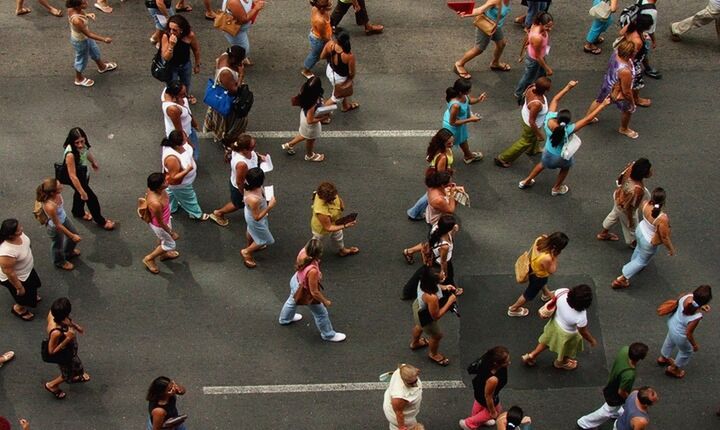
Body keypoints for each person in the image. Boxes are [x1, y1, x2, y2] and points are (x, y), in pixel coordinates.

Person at [517, 80, 611, 196]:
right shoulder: (568, 129)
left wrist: (568, 87)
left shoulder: (548, 120)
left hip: (548, 152)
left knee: (542, 164)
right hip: (561, 156)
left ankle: (526, 181)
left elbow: (555, 99)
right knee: (565, 168)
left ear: (558, 116)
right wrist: (603, 105)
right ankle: (556, 188)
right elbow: (587, 119)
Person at [278, 238, 347, 342]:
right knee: (321, 313)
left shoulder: (303, 252)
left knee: (292, 300)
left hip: (296, 280)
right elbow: (314, 292)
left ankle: (284, 319)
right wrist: (325, 301)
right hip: (304, 290)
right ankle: (328, 334)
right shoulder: (312, 271)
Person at [521, 284, 597, 370]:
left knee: (546, 341)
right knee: (566, 349)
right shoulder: (581, 316)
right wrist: (592, 340)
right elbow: (583, 331)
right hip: (568, 335)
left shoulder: (562, 292)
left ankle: (532, 355)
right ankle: (561, 363)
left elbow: (553, 298)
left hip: (554, 324)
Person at [612, 187, 676, 289]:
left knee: (638, 249)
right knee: (641, 261)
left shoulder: (645, 204)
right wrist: (671, 249)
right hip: (648, 241)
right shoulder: (662, 218)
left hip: (640, 231)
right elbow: (664, 236)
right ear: (664, 201)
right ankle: (622, 278)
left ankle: (633, 262)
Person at [576, 342, 649, 429]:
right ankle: (584, 423)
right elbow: (621, 391)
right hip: (615, 395)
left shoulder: (624, 350)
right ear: (640, 358)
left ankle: (616, 412)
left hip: (611, 383)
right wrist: (630, 400)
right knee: (606, 411)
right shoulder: (629, 374)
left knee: (615, 408)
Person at [161, 131, 221, 224]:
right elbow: (173, 177)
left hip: (178, 184)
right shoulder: (172, 159)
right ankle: (196, 214)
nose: (187, 138)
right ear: (178, 144)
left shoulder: (175, 145)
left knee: (171, 193)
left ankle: (171, 208)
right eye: (185, 138)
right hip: (181, 185)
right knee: (189, 198)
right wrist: (187, 170)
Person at [62, 128, 116, 230]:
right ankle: (100, 221)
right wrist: (82, 191)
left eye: (82, 141)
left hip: (83, 174)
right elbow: (72, 176)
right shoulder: (70, 155)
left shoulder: (83, 146)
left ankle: (78, 211)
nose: (80, 145)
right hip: (78, 179)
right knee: (92, 199)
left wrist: (93, 161)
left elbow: (86, 152)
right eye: (77, 142)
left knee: (79, 195)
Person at [585, 39, 638, 139]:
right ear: (629, 54)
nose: (636, 51)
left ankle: (588, 118)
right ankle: (624, 128)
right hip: (618, 91)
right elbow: (626, 92)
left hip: (608, 83)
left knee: (599, 101)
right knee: (628, 110)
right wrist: (632, 102)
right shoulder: (625, 71)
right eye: (634, 51)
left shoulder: (616, 53)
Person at [494, 77, 551, 168]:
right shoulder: (537, 104)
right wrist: (539, 134)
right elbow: (532, 121)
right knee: (525, 142)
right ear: (546, 90)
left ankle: (533, 150)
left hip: (527, 117)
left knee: (532, 138)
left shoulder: (531, 87)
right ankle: (503, 158)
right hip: (531, 125)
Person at [507, 232, 567, 317]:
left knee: (542, 283)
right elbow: (552, 270)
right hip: (538, 276)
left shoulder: (540, 239)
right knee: (529, 294)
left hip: (533, 269)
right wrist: (555, 257)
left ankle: (546, 294)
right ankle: (513, 309)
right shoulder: (548, 257)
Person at [657, 285, 712, 378]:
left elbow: (687, 302)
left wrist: (700, 306)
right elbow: (688, 333)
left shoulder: (686, 296)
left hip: (672, 324)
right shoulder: (696, 316)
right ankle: (674, 369)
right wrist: (694, 345)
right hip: (680, 334)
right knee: (686, 351)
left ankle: (663, 357)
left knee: (669, 341)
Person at [409, 266, 460, 366]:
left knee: (419, 325)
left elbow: (436, 286)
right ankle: (433, 354)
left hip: (418, 308)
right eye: (442, 277)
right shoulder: (432, 298)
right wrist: (450, 301)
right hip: (426, 316)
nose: (444, 276)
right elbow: (435, 316)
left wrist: (444, 287)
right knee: (437, 335)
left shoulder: (423, 281)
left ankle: (415, 343)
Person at [596, 158, 652, 246]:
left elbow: (619, 179)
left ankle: (603, 233)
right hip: (625, 207)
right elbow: (630, 207)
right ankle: (633, 243)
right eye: (649, 170)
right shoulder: (637, 190)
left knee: (614, 214)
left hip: (619, 196)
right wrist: (630, 220)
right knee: (632, 228)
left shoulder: (631, 166)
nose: (651, 171)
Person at [213, 134, 266, 224]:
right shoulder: (241, 164)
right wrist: (244, 195)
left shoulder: (244, 151)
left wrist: (260, 157)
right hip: (242, 188)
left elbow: (253, 154)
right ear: (245, 149)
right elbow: (239, 182)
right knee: (237, 204)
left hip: (250, 184)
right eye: (252, 146)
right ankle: (218, 213)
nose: (254, 147)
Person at [453, 0, 512, 80]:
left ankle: (495, 63)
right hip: (486, 25)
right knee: (478, 49)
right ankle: (459, 64)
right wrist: (466, 13)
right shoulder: (495, 0)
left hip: (496, 26)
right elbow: (480, 10)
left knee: (501, 44)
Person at [44, 297, 89, 400]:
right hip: (64, 353)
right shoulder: (56, 332)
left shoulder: (54, 314)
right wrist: (67, 339)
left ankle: (76, 374)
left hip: (70, 350)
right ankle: (52, 385)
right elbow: (51, 351)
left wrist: (76, 326)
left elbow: (68, 321)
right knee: (67, 372)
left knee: (75, 366)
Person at [406, 129, 455, 221]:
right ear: (442, 143)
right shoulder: (443, 157)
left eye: (452, 142)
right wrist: (446, 183)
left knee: (428, 195)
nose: (451, 145)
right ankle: (413, 212)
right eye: (449, 143)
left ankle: (414, 212)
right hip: (436, 179)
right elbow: (440, 174)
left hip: (433, 176)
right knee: (429, 196)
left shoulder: (437, 149)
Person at [203, 46, 249, 143]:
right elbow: (234, 91)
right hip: (226, 99)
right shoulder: (226, 73)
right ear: (234, 59)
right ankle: (227, 139)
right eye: (240, 60)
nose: (241, 62)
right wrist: (241, 75)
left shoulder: (225, 55)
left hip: (224, 90)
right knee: (229, 122)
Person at [66, 0, 116, 88]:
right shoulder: (77, 20)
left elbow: (80, 14)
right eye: (83, 3)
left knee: (94, 50)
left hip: (85, 38)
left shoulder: (73, 9)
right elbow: (89, 34)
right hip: (80, 41)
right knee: (81, 59)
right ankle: (79, 78)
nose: (86, 3)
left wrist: (87, 15)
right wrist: (104, 39)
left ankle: (102, 67)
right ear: (77, 6)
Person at [459, 346, 510, 429]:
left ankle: (478, 420)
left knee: (479, 402)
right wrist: (493, 411)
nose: (509, 363)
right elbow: (488, 397)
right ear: (496, 364)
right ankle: (468, 424)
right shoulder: (493, 379)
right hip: (486, 394)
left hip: (480, 390)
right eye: (506, 362)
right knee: (496, 410)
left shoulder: (488, 358)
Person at [0, 219, 42, 322]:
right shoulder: (6, 252)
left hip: (26, 271)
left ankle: (31, 295)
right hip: (17, 278)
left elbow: (26, 245)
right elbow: (9, 272)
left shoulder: (19, 235)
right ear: (10, 235)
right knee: (23, 296)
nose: (21, 229)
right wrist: (19, 287)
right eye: (18, 229)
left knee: (33, 286)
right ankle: (19, 308)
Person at [281, 77, 331, 162]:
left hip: (304, 117)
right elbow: (310, 121)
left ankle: (289, 144)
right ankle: (309, 155)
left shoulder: (305, 92)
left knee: (304, 134)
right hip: (310, 124)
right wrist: (323, 117)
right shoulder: (312, 103)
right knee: (310, 140)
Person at [36, 178, 82, 270]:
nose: (62, 185)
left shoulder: (56, 194)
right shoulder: (50, 206)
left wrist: (73, 235)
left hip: (63, 219)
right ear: (53, 192)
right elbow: (58, 225)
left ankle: (68, 252)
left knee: (74, 233)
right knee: (58, 244)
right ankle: (59, 261)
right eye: (59, 186)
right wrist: (72, 236)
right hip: (55, 227)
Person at [142, 173, 180, 274]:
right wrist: (171, 233)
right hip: (161, 225)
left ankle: (163, 254)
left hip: (166, 220)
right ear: (159, 187)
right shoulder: (155, 203)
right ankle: (149, 258)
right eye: (164, 181)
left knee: (163, 239)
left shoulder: (155, 189)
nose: (167, 180)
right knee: (171, 244)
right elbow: (160, 222)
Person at [443, 78, 487, 164]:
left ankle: (468, 155)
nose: (470, 90)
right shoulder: (455, 105)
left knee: (462, 140)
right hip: (453, 126)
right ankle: (439, 157)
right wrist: (471, 119)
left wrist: (478, 99)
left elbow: (469, 101)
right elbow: (453, 122)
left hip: (460, 123)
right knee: (449, 143)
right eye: (469, 90)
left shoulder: (463, 96)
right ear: (461, 92)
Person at [310, 182, 360, 256]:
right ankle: (310, 256)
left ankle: (342, 250)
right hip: (321, 229)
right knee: (317, 242)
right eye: (332, 198)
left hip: (335, 221)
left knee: (338, 236)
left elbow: (337, 197)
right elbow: (328, 227)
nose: (335, 198)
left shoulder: (331, 193)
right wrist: (345, 225)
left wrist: (341, 204)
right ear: (326, 199)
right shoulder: (320, 210)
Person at [240, 167, 276, 268]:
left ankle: (251, 244)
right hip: (255, 217)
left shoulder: (249, 186)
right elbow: (256, 217)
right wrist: (269, 207)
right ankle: (246, 252)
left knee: (251, 230)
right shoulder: (254, 199)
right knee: (265, 239)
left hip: (250, 212)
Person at [513, 12, 553, 103]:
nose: (549, 29)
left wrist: (522, 53)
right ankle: (519, 93)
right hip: (534, 59)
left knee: (540, 74)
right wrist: (548, 68)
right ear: (540, 24)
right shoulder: (537, 38)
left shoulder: (535, 25)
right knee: (528, 77)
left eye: (551, 26)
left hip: (538, 56)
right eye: (547, 26)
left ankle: (540, 87)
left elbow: (527, 38)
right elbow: (538, 56)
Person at [160, 15, 201, 103]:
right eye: (170, 29)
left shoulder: (189, 35)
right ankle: (173, 99)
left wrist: (197, 65)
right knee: (173, 86)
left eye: (175, 30)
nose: (171, 32)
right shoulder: (166, 36)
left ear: (182, 30)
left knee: (186, 83)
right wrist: (171, 45)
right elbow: (166, 57)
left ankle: (184, 97)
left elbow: (196, 50)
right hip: (171, 66)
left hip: (185, 64)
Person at [320, 29, 360, 113]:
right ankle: (319, 112)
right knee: (335, 97)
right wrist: (350, 80)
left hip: (330, 71)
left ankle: (346, 106)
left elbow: (322, 57)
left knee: (341, 91)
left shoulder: (330, 45)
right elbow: (352, 73)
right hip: (340, 79)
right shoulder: (349, 56)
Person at [621, 15, 654, 109]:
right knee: (637, 83)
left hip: (625, 58)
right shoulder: (637, 41)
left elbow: (621, 32)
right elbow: (631, 57)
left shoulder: (631, 27)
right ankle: (636, 99)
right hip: (632, 63)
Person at [162, 80, 200, 160]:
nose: (186, 95)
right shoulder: (173, 109)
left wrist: (194, 123)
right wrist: (189, 144)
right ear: (174, 95)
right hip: (181, 137)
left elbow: (187, 110)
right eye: (182, 94)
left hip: (188, 129)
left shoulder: (171, 92)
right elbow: (179, 130)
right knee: (191, 157)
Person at [223, 0, 265, 65]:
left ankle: (240, 59)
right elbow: (243, 20)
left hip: (240, 29)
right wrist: (256, 8)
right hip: (235, 30)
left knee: (240, 47)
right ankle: (229, 62)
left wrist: (253, 3)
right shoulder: (234, 2)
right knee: (244, 49)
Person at [382, 363, 423, 430]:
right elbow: (399, 413)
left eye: (415, 380)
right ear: (403, 380)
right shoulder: (399, 397)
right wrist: (401, 427)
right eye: (410, 383)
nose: (414, 384)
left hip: (396, 409)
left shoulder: (403, 369)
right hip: (398, 416)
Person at [302, 0, 334, 78]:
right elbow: (324, 36)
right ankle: (306, 70)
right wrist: (330, 41)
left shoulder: (315, 8)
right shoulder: (320, 21)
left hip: (317, 35)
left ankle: (332, 66)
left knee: (329, 53)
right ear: (322, 8)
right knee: (315, 55)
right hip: (319, 41)